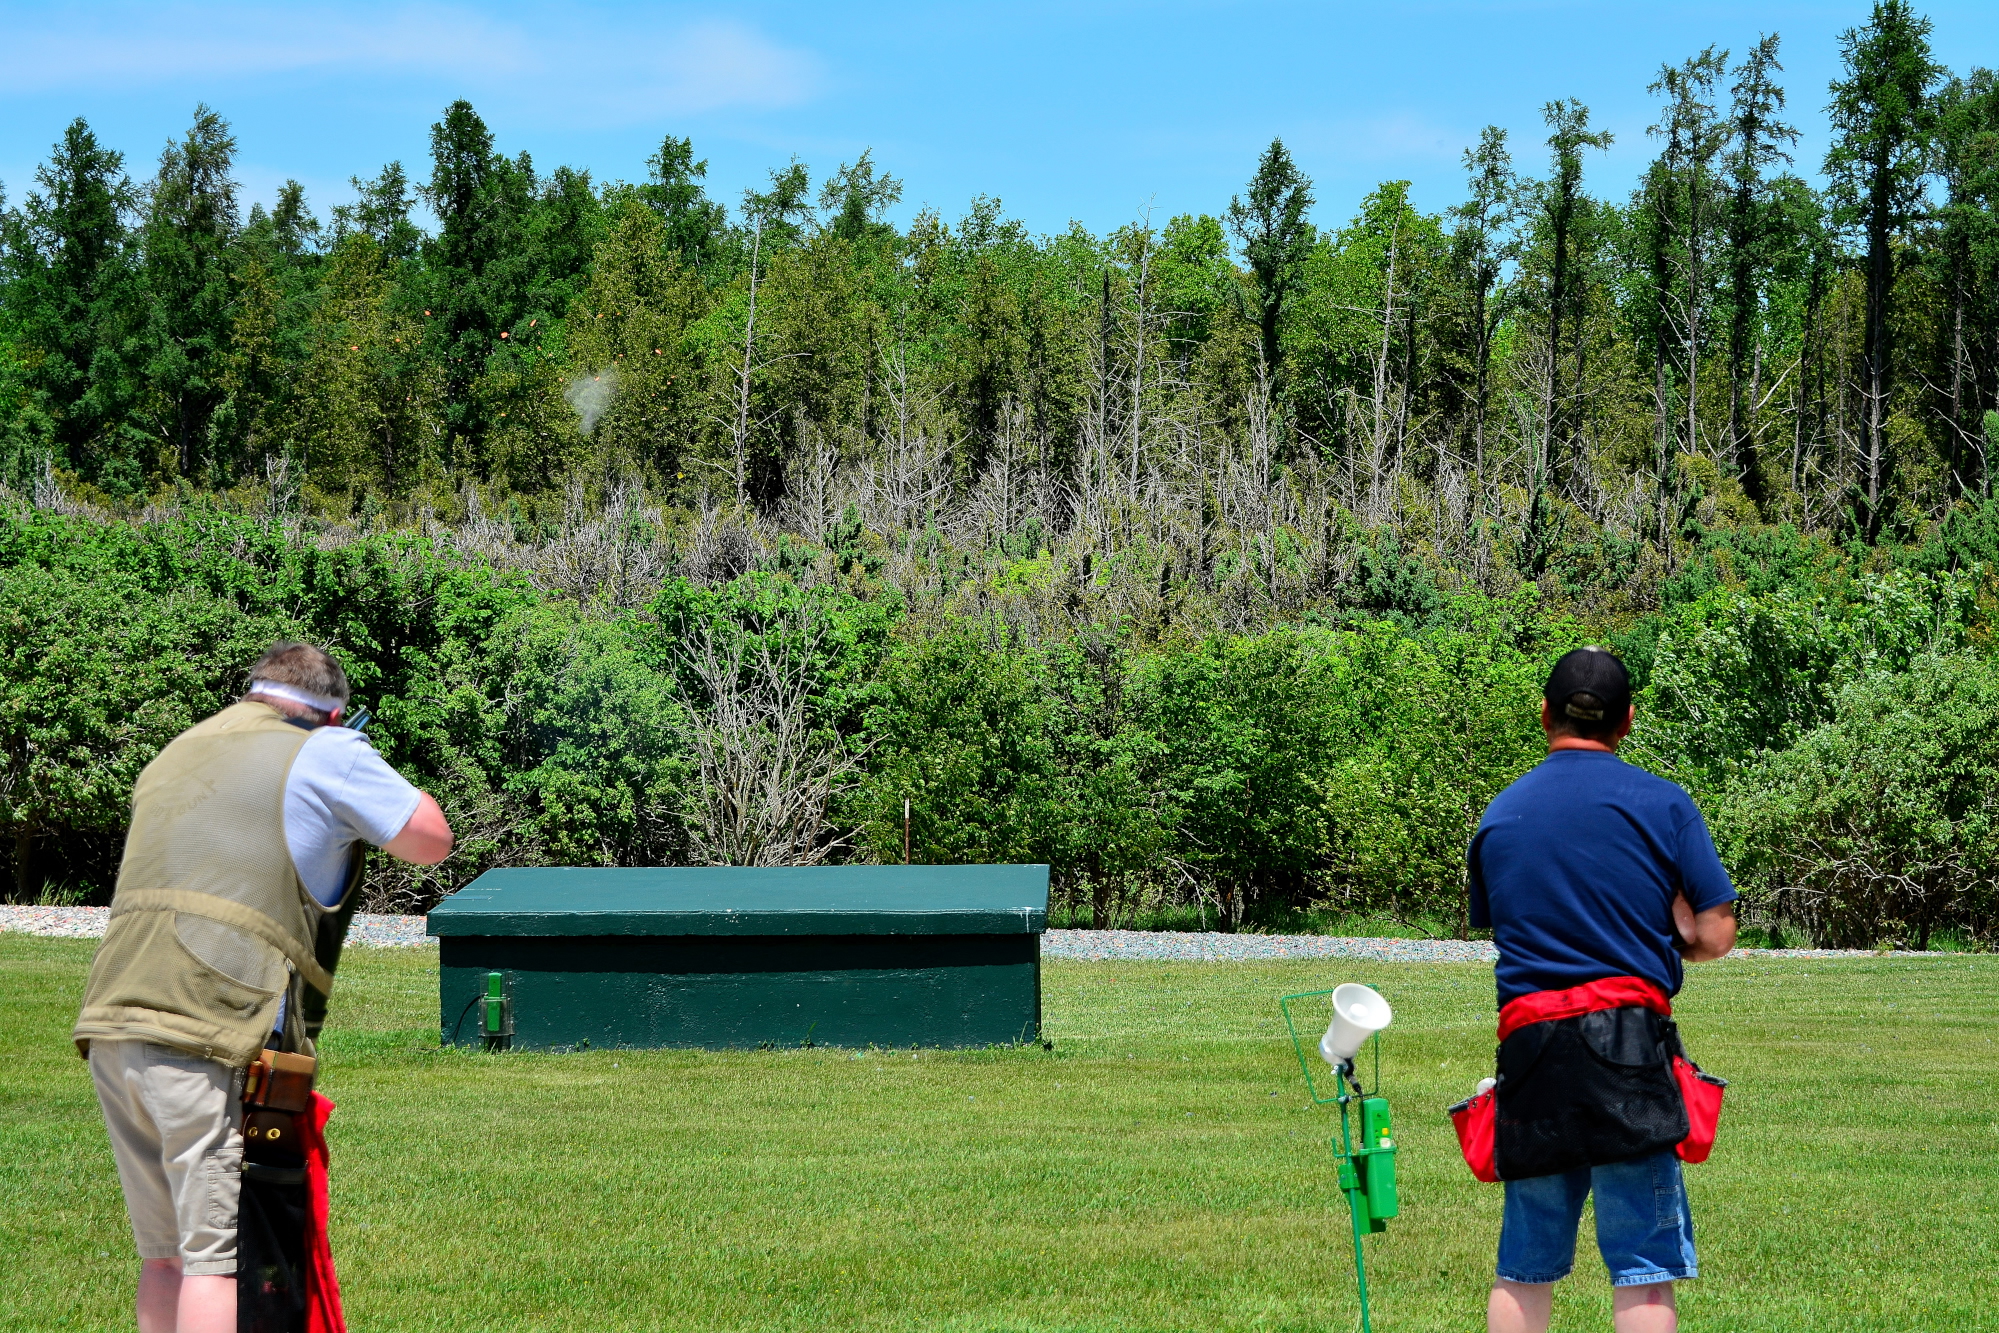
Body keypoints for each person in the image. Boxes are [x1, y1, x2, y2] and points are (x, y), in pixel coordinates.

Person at [73, 642, 453, 1333]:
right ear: (331, 712)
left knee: (164, 1258)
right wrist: (353, 751)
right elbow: (431, 838)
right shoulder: (328, 749)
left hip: (112, 1019)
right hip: (204, 1024)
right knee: (213, 1262)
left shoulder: (180, 748)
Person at [1467, 646, 1737, 1333]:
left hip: (1530, 1049)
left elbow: (1512, 924)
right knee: (1643, 1265)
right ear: (1627, 721)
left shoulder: (1500, 814)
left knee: (1523, 1263)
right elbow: (1715, 934)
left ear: (1544, 714)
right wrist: (1668, 938)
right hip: (1628, 1046)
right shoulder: (1664, 804)